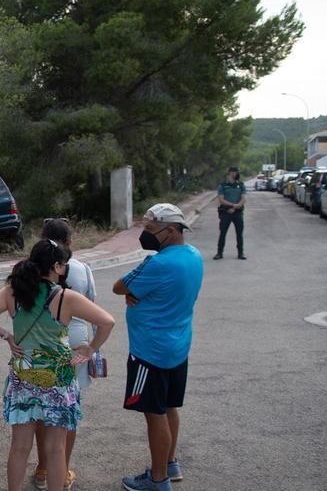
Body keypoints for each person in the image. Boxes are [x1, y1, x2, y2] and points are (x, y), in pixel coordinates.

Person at [0, 240, 115, 491]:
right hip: (57, 378)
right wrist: (90, 348)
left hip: (23, 375)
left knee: (19, 446)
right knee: (56, 448)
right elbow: (107, 322)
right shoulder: (65, 297)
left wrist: (7, 335)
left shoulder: (13, 291)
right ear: (57, 267)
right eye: (63, 265)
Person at [111, 203, 203, 491]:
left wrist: (131, 294)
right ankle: (171, 463)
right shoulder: (194, 256)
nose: (145, 235)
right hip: (177, 346)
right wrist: (136, 295)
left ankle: (158, 478)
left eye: (150, 230)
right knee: (170, 407)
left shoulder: (158, 263)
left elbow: (118, 286)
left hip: (150, 351)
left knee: (155, 414)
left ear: (171, 230)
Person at [32, 218, 98, 490]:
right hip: (75, 339)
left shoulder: (29, 269)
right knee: (68, 407)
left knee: (40, 408)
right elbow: (93, 307)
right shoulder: (81, 269)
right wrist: (95, 350)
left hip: (40, 340)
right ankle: (63, 469)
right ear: (69, 243)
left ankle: (43, 468)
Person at [215, 166, 246, 260]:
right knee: (223, 233)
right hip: (226, 212)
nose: (237, 174)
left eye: (237, 172)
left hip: (238, 213)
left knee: (239, 234)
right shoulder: (223, 185)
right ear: (230, 173)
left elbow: (243, 199)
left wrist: (236, 207)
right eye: (235, 172)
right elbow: (221, 199)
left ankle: (241, 253)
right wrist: (232, 206)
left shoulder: (241, 185)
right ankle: (219, 253)